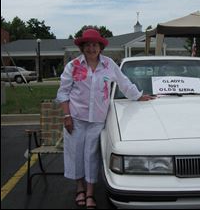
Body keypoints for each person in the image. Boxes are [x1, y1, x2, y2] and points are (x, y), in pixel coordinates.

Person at [56, 28, 154, 209]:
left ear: (100, 47)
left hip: (98, 119)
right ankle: (80, 189)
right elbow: (63, 92)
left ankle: (91, 193)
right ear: (82, 47)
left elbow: (124, 83)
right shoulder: (73, 66)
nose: (91, 48)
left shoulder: (109, 65)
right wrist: (67, 115)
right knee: (76, 154)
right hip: (76, 118)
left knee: (91, 156)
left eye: (95, 45)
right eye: (88, 45)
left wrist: (138, 96)